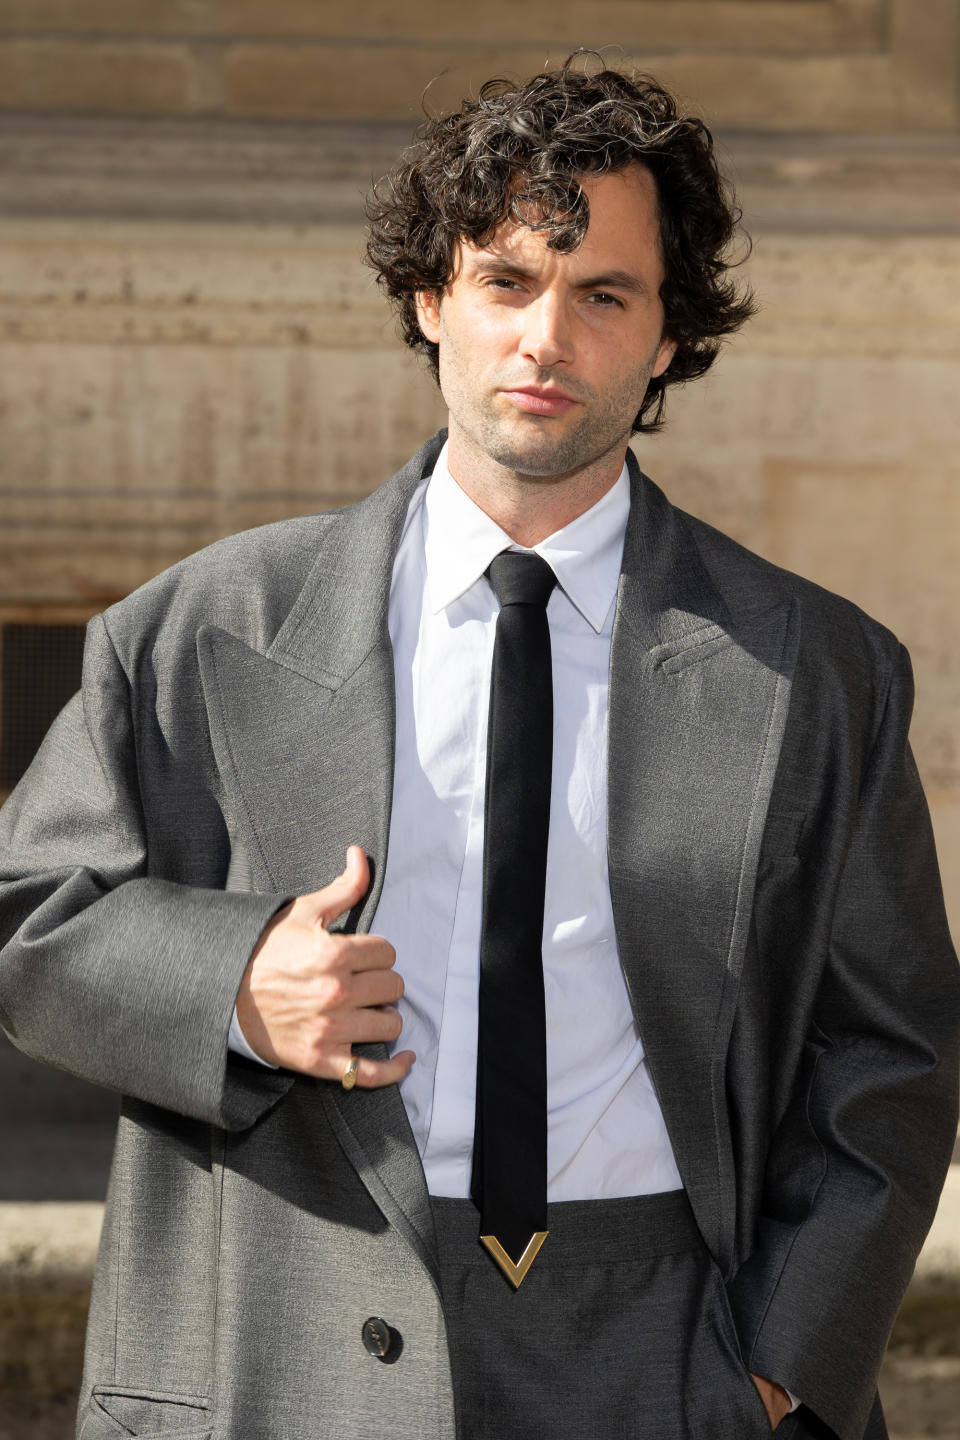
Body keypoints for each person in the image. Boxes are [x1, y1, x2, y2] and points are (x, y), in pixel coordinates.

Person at [0, 56, 957, 1440]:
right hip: (282, 1342)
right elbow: (28, 914)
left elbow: (892, 1057)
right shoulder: (197, 630)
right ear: (428, 296)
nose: (545, 341)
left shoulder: (819, 669)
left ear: (670, 333)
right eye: (506, 282)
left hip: (673, 1359)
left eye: (604, 294)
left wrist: (776, 1374)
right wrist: (231, 986)